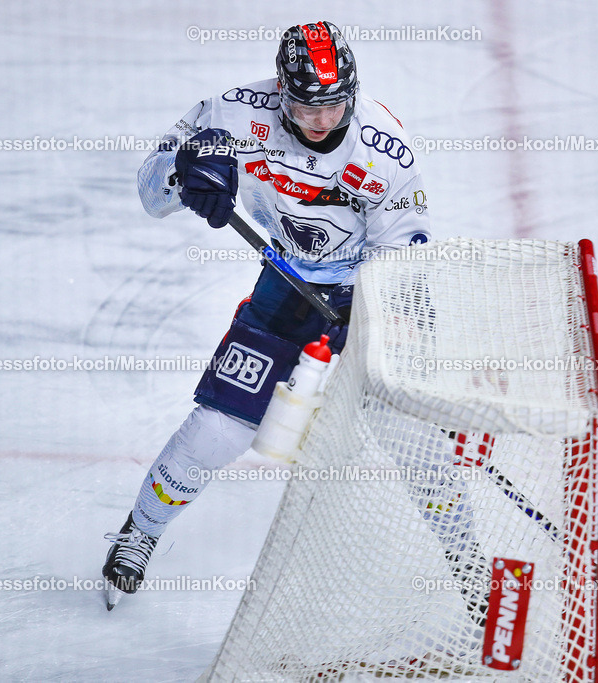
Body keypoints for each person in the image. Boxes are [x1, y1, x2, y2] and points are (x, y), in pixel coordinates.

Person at [102, 21, 431, 608]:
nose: (323, 121)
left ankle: (467, 556)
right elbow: (153, 196)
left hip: (371, 291)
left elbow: (406, 256)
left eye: (335, 104)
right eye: (307, 105)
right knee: (219, 427)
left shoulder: (386, 151)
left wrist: (375, 316)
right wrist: (187, 173)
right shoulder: (230, 115)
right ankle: (140, 532)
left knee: (413, 438)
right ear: (282, 88)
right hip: (288, 284)